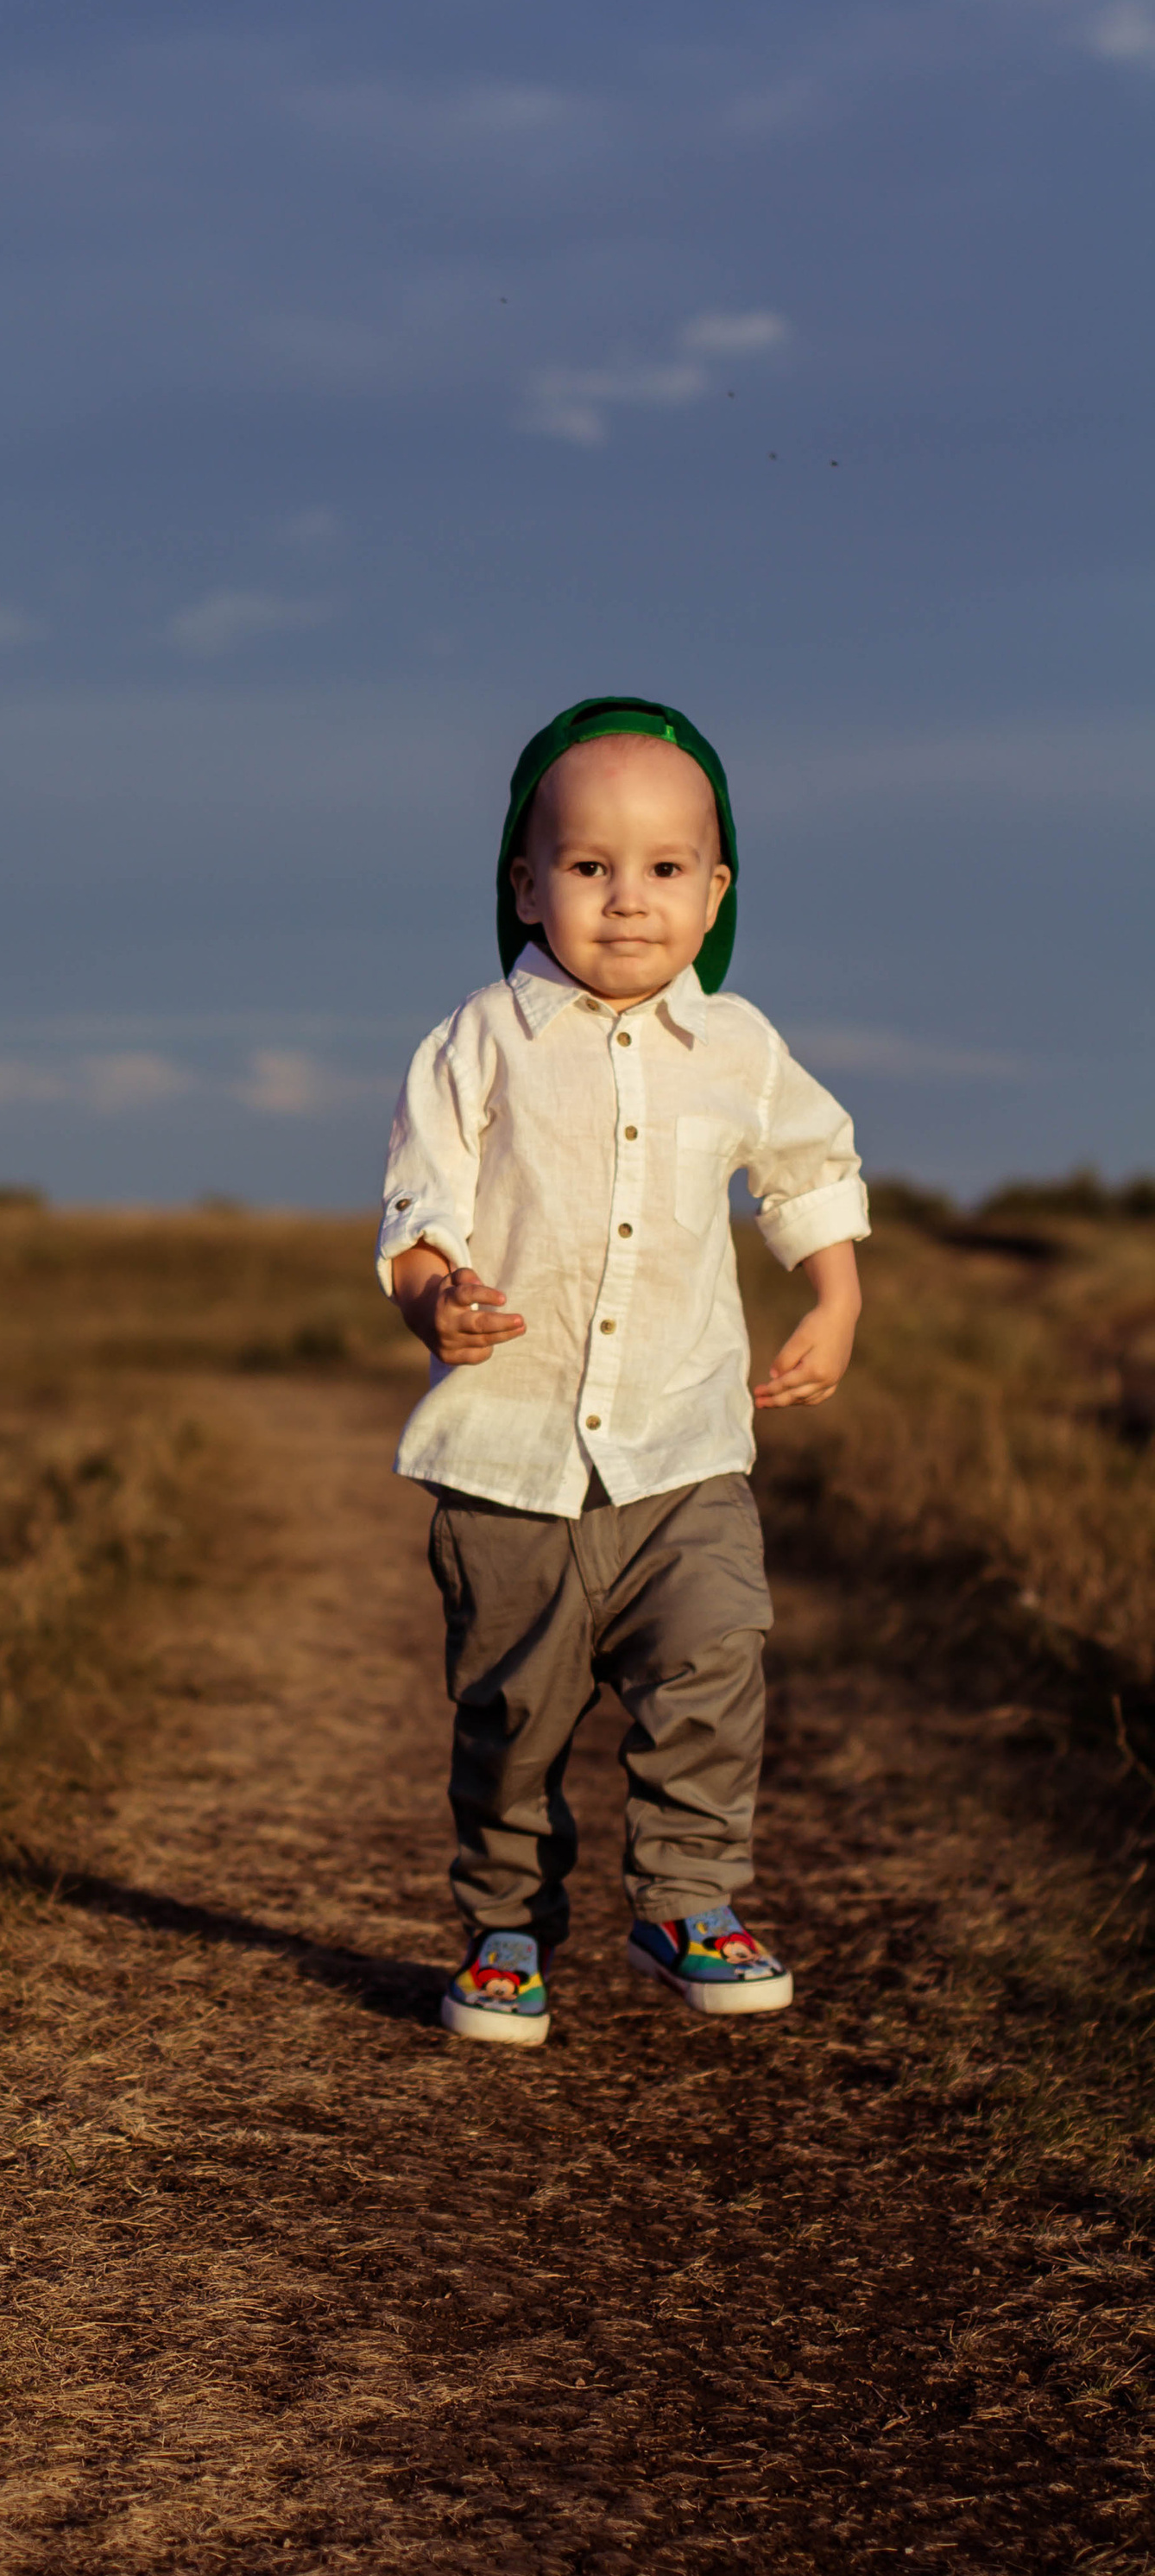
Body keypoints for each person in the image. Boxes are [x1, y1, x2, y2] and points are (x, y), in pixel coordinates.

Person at [377, 697, 867, 2049]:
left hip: (681, 1449)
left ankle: (692, 1898)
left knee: (719, 1650)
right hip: (508, 1464)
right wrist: (439, 1301)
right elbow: (419, 1215)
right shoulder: (480, 1041)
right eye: (590, 868)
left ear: (714, 893)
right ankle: (507, 1930)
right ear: (526, 885)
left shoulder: (743, 1047)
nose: (627, 902)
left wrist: (834, 1296)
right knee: (514, 1721)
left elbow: (810, 1170)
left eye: (664, 871)